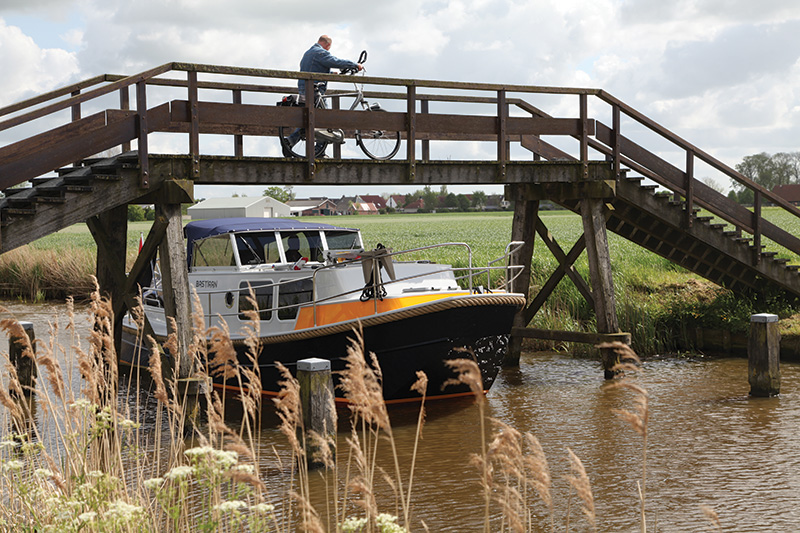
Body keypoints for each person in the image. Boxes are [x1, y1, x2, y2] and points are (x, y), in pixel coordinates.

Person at [283, 35, 363, 157]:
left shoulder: (309, 53)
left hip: (305, 89)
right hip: (315, 90)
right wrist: (355, 65)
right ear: (328, 46)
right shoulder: (321, 52)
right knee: (326, 120)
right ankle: (318, 151)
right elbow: (336, 61)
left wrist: (330, 73)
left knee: (311, 118)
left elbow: (314, 69)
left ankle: (290, 141)